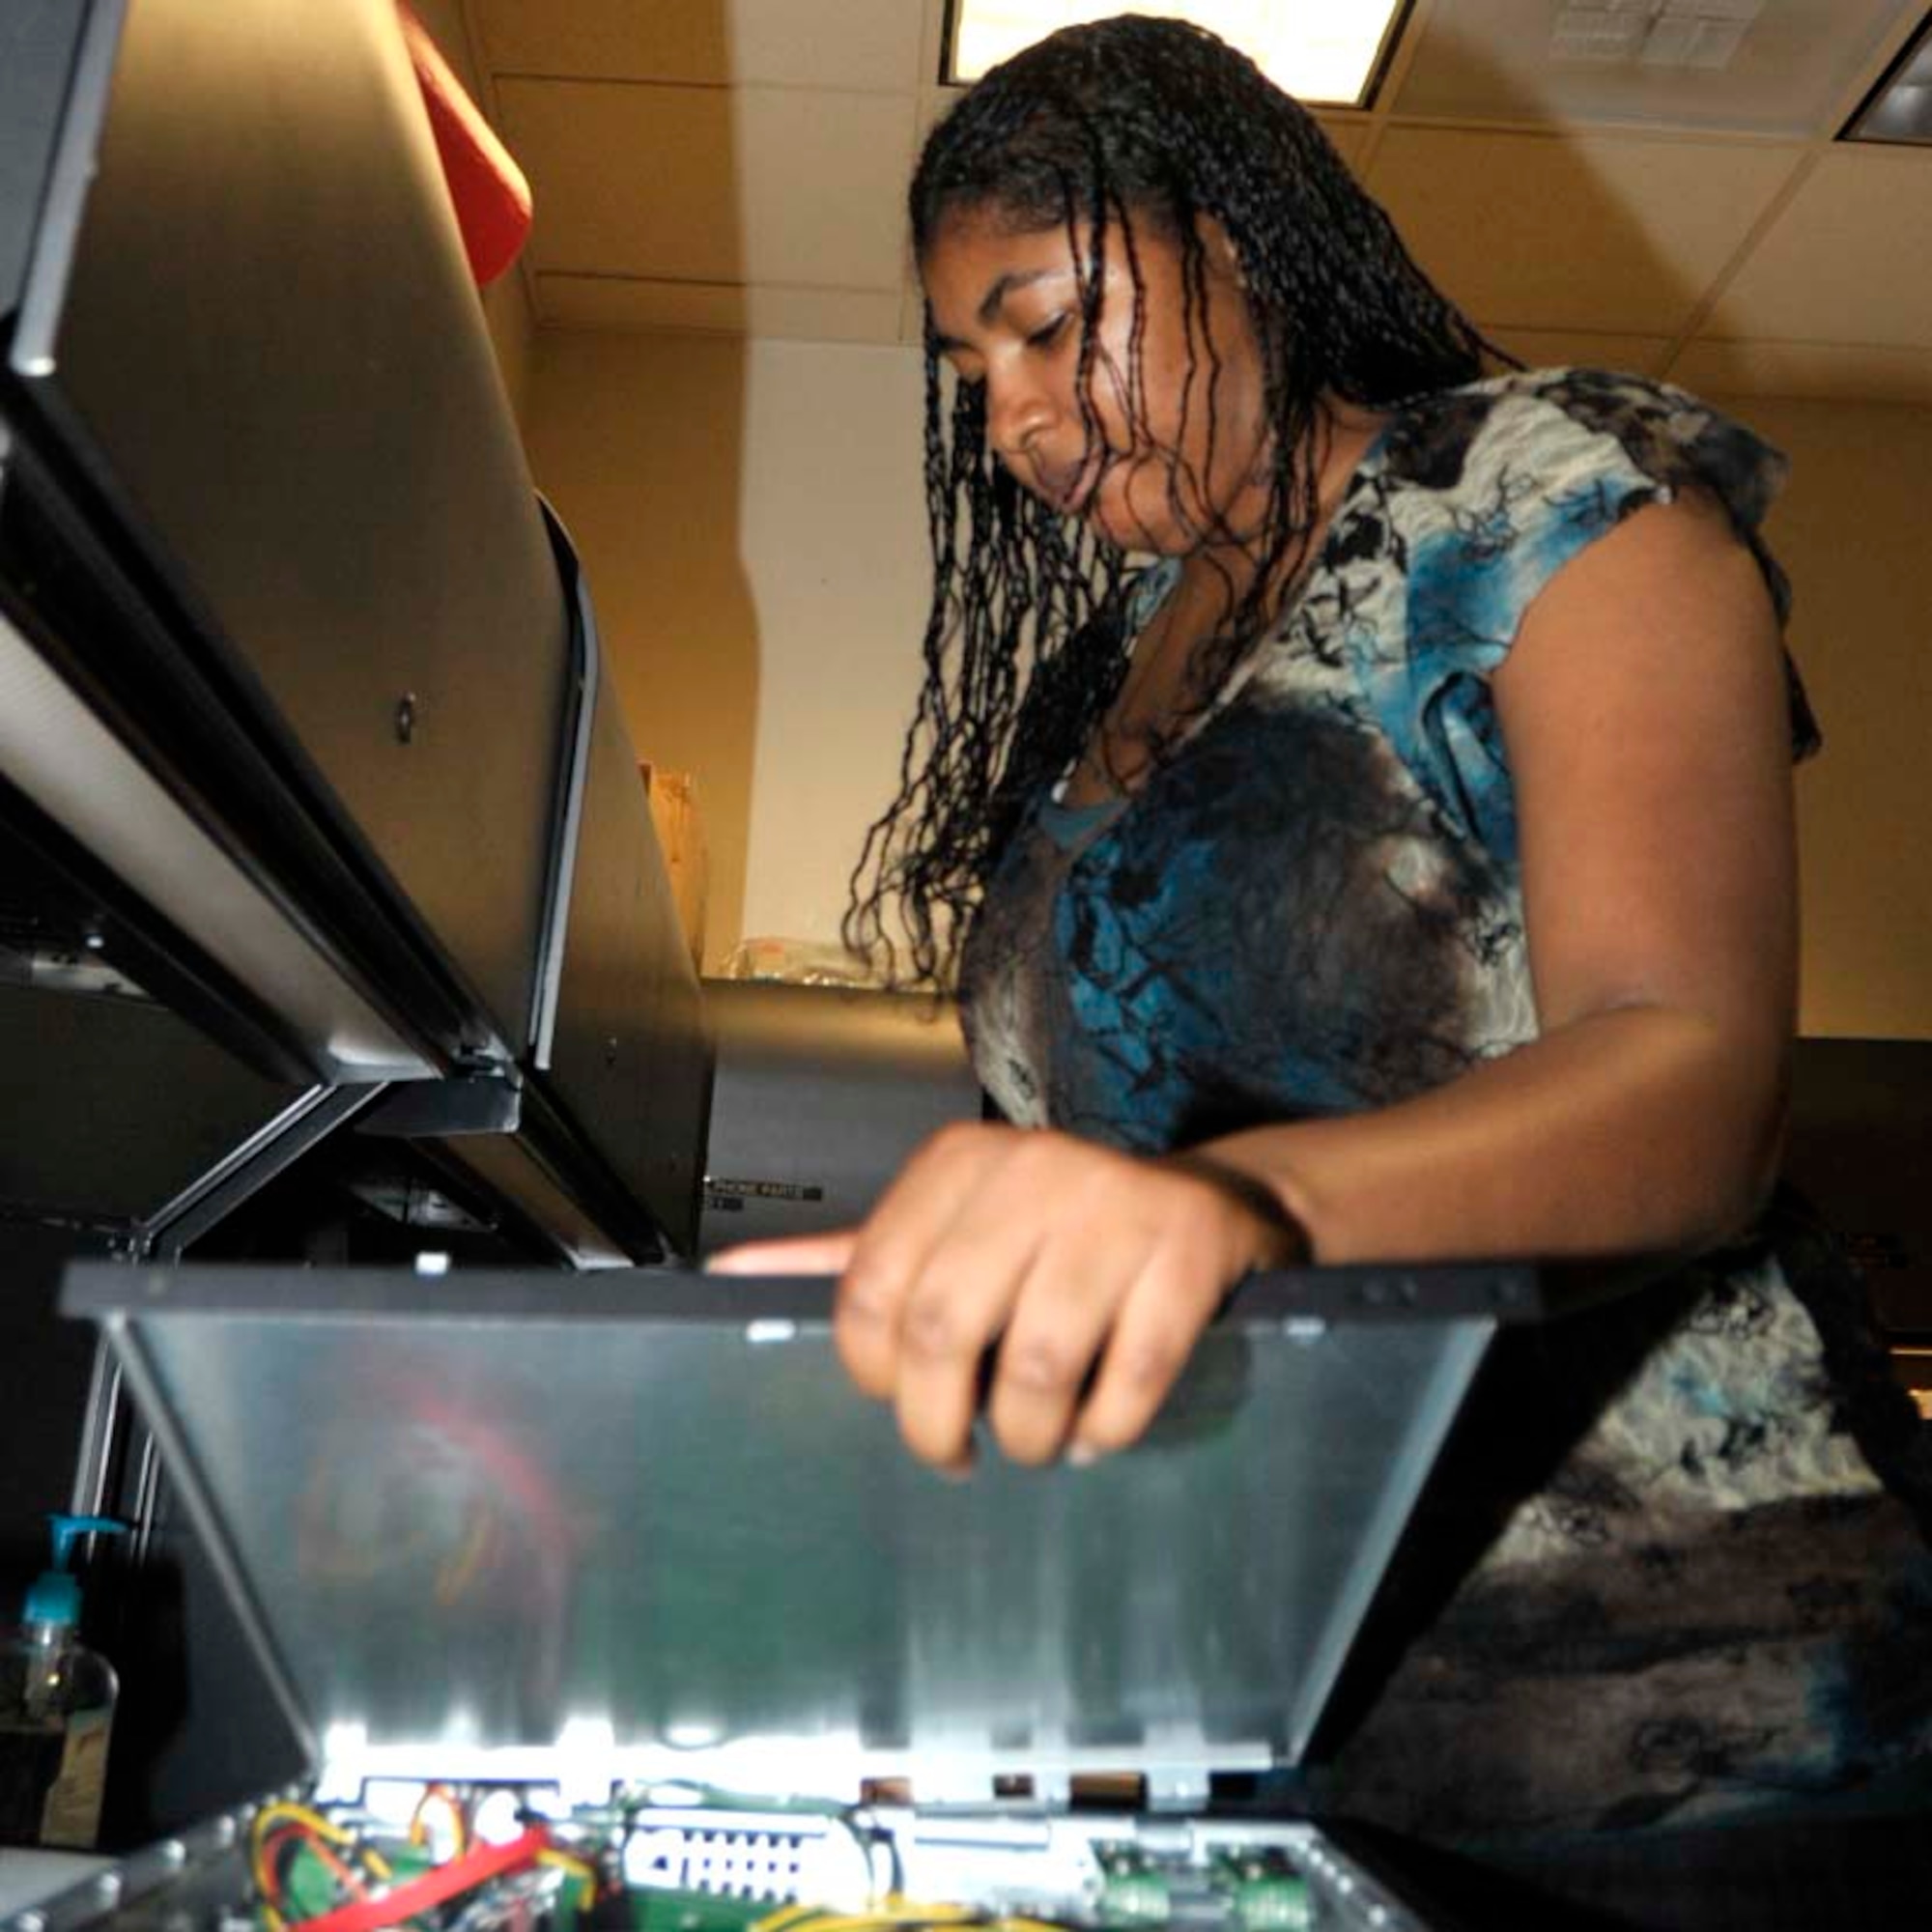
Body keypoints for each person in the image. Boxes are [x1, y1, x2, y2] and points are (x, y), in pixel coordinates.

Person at [713, 12, 1932, 1866]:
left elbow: (1696, 1079)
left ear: (1236, 239)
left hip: (1694, 1723)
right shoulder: (1102, 697)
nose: (1015, 418)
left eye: (1048, 325)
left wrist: (1247, 1213)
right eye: (970, 370)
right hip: (1263, 1736)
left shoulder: (1538, 494)